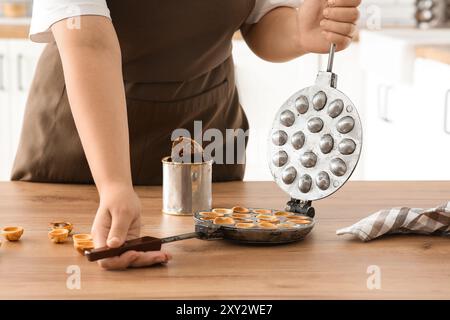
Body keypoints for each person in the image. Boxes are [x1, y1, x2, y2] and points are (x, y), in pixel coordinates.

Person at [12, 0, 360, 269]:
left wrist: (298, 30)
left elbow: (258, 18)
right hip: (80, 145)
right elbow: (88, 42)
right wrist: (115, 185)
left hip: (203, 130)